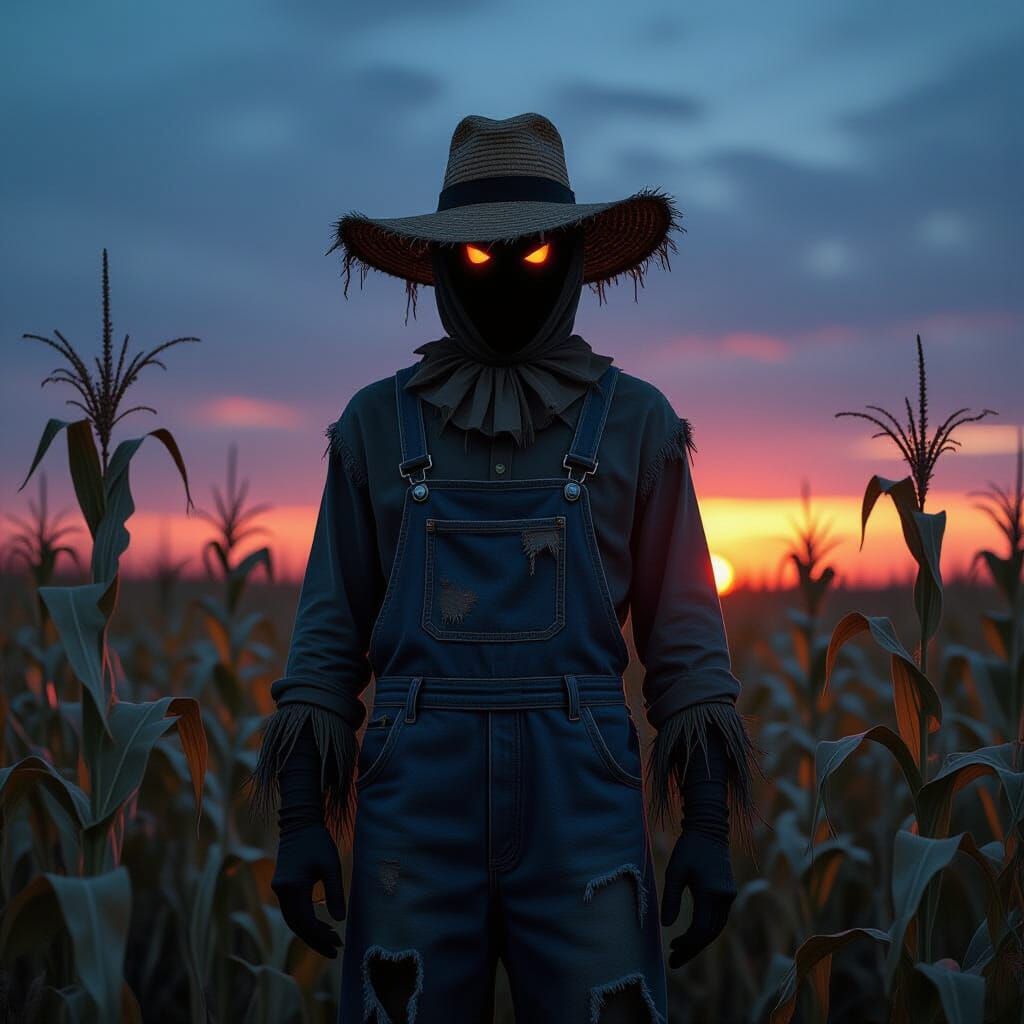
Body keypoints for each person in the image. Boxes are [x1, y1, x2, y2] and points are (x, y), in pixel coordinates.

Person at [247, 112, 758, 1024]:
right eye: (480, 257)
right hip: (413, 802)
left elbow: (686, 637)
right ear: (441, 265)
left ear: (571, 258)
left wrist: (709, 824)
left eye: (532, 254)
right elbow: (329, 630)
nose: (508, 276)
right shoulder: (374, 423)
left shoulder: (639, 422)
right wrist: (299, 819)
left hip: (585, 797)